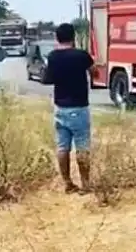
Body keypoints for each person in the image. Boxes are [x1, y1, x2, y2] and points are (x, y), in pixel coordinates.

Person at [41, 23, 96, 194]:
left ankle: (67, 183)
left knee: (62, 147)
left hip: (60, 107)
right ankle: (85, 184)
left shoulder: (53, 56)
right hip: (79, 107)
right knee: (82, 147)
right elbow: (94, 72)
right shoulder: (81, 55)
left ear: (57, 38)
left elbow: (47, 79)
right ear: (74, 37)